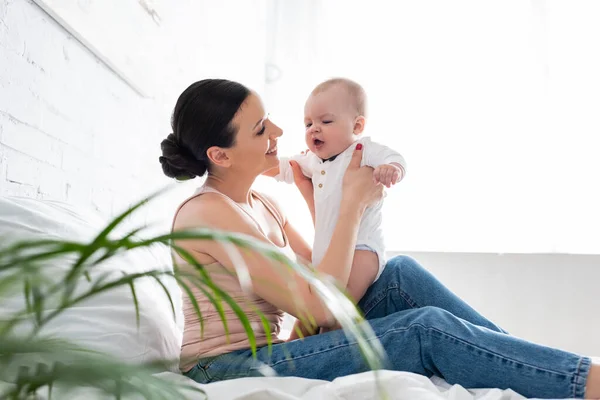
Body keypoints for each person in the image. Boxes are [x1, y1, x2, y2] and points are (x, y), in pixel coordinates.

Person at [159, 79, 599, 399]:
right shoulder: (207, 213)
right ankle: (584, 380)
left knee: (398, 275)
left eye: (270, 118)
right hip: (223, 369)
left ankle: (544, 371)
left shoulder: (262, 203)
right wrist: (351, 202)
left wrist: (323, 202)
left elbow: (322, 270)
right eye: (260, 128)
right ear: (220, 155)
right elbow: (320, 303)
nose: (277, 132)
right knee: (424, 329)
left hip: (274, 348)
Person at [263, 79, 406, 339]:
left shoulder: (362, 151)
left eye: (326, 122)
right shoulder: (313, 160)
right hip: (330, 253)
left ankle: (334, 348)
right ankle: (293, 350)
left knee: (336, 308)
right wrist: (254, 164)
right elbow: (283, 168)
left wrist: (392, 169)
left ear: (357, 125)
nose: (314, 129)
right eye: (308, 124)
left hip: (363, 249)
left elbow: (394, 157)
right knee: (311, 311)